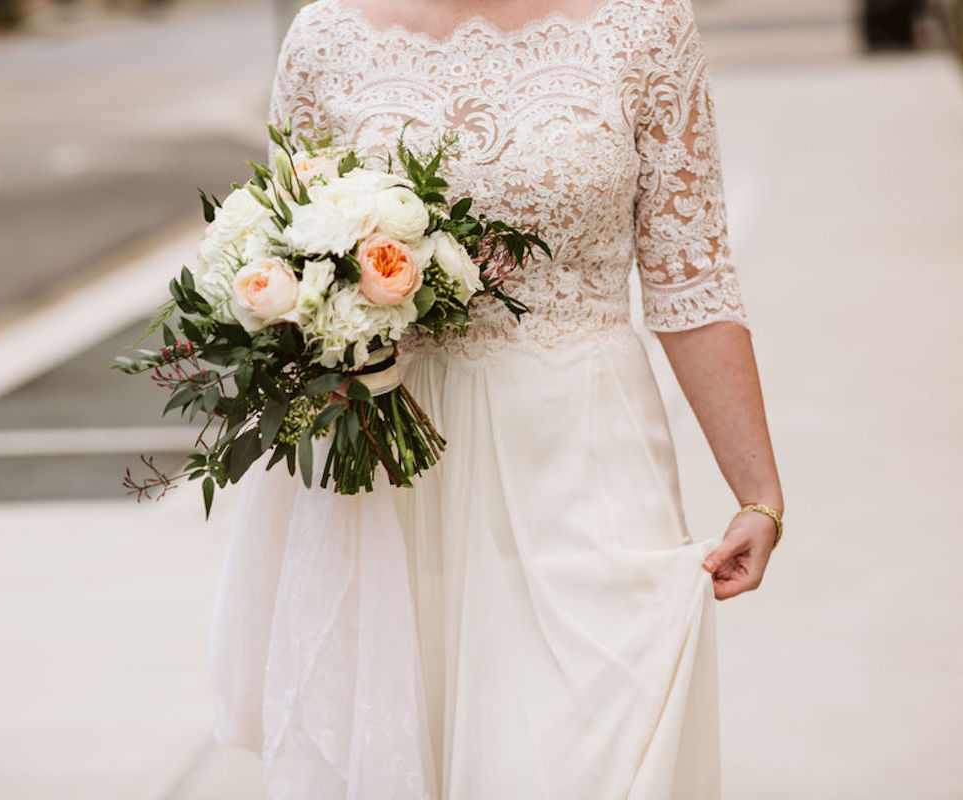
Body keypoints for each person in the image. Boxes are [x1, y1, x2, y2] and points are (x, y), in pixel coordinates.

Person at [208, 0, 786, 797]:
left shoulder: (646, 25)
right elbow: (284, 259)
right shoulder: (325, 37)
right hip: (393, 476)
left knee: (600, 756)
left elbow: (691, 278)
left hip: (587, 461)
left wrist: (758, 492)